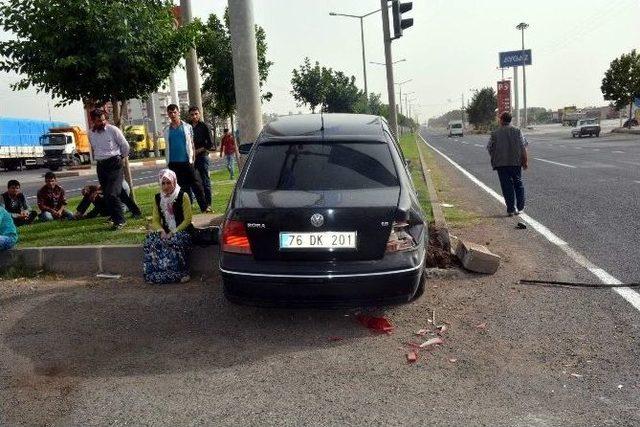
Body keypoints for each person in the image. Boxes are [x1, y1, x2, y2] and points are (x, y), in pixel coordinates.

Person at [88, 108, 141, 230]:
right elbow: (94, 148)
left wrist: (121, 157)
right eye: (99, 121)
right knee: (119, 192)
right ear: (93, 121)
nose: (102, 122)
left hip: (114, 164)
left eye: (103, 120)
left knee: (111, 194)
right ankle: (135, 210)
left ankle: (119, 220)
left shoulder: (113, 130)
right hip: (101, 166)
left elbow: (125, 145)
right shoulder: (91, 133)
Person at [143, 169, 193, 284]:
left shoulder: (182, 195)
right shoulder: (158, 198)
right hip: (165, 231)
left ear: (174, 182)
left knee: (175, 241)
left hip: (182, 230)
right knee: (151, 242)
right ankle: (155, 275)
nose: (166, 186)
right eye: (163, 183)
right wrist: (161, 230)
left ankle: (181, 274)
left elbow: (188, 219)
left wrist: (173, 232)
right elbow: (155, 220)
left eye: (168, 183)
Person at [163, 104, 208, 213]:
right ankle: (183, 209)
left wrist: (192, 159)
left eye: (174, 112)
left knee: (196, 184)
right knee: (179, 188)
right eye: (170, 113)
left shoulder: (187, 127)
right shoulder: (166, 129)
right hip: (173, 163)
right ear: (168, 114)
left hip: (187, 162)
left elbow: (191, 144)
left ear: (178, 112)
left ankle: (204, 207)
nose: (173, 115)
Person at [487, 112, 529, 216]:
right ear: (510, 120)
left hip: (501, 164)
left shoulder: (495, 133)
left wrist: (495, 158)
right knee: (518, 184)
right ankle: (520, 208)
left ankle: (510, 209)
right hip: (515, 163)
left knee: (506, 186)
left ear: (501, 120)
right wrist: (525, 161)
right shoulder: (517, 131)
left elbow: (489, 148)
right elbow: (523, 146)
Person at [189, 106, 214, 212]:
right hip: (191, 158)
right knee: (192, 181)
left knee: (205, 181)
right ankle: (194, 203)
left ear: (199, 114)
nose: (194, 116)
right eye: (192, 114)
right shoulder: (187, 127)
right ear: (189, 116)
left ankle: (208, 204)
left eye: (196, 114)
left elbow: (210, 144)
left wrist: (198, 151)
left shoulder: (204, 126)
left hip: (202, 156)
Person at [74, 180, 140, 220]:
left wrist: (96, 192)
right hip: (108, 208)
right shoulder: (114, 180)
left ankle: (84, 214)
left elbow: (110, 191)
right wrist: (88, 188)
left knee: (93, 194)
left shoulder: (120, 184)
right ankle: (80, 213)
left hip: (114, 210)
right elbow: (100, 187)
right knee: (90, 193)